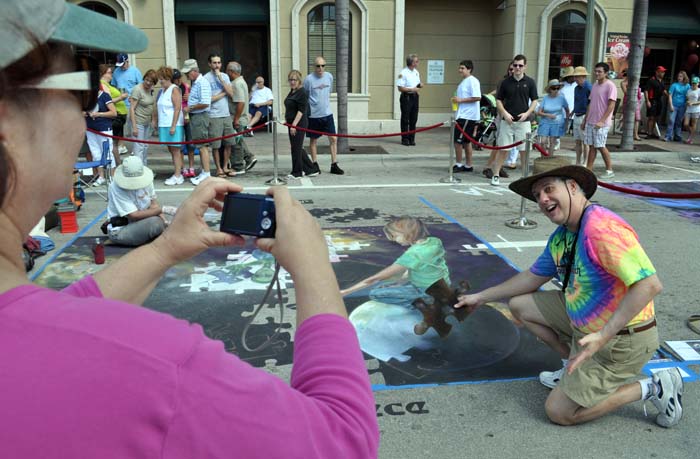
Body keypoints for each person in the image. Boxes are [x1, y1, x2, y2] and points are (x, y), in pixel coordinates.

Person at [0, 2, 380, 456]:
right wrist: (314, 264)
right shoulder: (156, 363)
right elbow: (344, 440)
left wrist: (166, 250)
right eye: (81, 85)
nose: (86, 116)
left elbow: (49, 320)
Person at [454, 165, 683, 428]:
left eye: (549, 189)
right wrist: (481, 297)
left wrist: (604, 335)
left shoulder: (601, 229)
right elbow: (532, 277)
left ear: (572, 187)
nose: (542, 199)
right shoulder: (564, 234)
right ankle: (570, 367)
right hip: (586, 326)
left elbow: (649, 285)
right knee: (520, 305)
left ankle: (654, 386)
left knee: (559, 412)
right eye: (537, 194)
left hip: (621, 341)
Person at [492, 54, 538, 186]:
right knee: (503, 149)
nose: (517, 68)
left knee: (524, 150)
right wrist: (504, 113)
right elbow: (499, 100)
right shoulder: (505, 82)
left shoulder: (530, 82)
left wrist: (527, 113)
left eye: (520, 65)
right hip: (507, 121)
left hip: (523, 122)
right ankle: (496, 174)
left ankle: (524, 176)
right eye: (515, 65)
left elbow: (535, 100)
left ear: (525, 66)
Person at [106, 156, 165, 246]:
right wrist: (162, 210)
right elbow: (133, 215)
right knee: (156, 223)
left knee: (167, 222)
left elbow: (153, 205)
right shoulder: (115, 187)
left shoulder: (147, 180)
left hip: (142, 222)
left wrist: (165, 222)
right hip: (121, 229)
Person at [304, 56, 344, 175]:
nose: (320, 68)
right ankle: (315, 164)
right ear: (314, 66)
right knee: (313, 140)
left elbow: (329, 91)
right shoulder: (308, 80)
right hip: (314, 116)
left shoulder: (329, 76)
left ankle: (334, 164)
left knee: (333, 138)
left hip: (327, 114)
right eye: (318, 66)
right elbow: (306, 95)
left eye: (322, 65)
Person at [203, 53, 236, 178]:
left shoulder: (225, 76)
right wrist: (223, 94)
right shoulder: (205, 79)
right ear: (209, 64)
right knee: (216, 145)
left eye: (218, 62)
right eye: (214, 63)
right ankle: (218, 169)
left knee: (229, 143)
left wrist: (221, 79)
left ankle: (226, 166)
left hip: (226, 114)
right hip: (214, 115)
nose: (217, 65)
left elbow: (231, 93)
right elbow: (208, 99)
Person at [182, 58, 213, 186]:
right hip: (197, 116)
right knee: (200, 145)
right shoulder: (197, 82)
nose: (186, 75)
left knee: (202, 146)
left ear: (194, 71)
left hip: (200, 116)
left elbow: (205, 103)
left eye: (187, 73)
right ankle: (205, 172)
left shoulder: (201, 83)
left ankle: (206, 173)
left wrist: (190, 108)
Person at [584, 62, 617, 178]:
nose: (597, 73)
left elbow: (611, 105)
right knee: (592, 146)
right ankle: (589, 169)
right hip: (591, 121)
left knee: (601, 146)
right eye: (596, 71)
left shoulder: (610, 86)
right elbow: (590, 104)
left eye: (600, 71)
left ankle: (609, 170)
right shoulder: (594, 85)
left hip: (602, 123)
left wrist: (602, 120)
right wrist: (585, 120)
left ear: (606, 73)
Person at [284, 69, 318, 179]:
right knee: (296, 147)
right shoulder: (292, 91)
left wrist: (294, 125)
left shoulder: (302, 92)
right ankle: (311, 169)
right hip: (291, 123)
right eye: (290, 79)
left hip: (299, 123)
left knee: (296, 148)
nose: (292, 82)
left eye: (294, 79)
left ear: (299, 81)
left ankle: (297, 172)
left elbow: (301, 111)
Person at [154, 66, 185, 186]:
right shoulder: (161, 91)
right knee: (171, 150)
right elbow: (157, 107)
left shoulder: (174, 89)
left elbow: (177, 108)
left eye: (163, 78)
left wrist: (173, 126)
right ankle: (177, 172)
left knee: (176, 150)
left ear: (169, 78)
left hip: (174, 124)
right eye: (160, 78)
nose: (161, 81)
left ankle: (178, 175)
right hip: (164, 123)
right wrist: (155, 121)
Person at [226, 61, 257, 174]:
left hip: (238, 118)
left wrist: (236, 119)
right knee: (239, 140)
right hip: (240, 117)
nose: (226, 72)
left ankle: (238, 166)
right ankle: (249, 157)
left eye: (227, 70)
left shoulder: (236, 84)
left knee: (236, 143)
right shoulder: (240, 81)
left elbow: (240, 103)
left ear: (232, 72)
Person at [84, 78, 117, 187]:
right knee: (95, 152)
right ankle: (101, 176)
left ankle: (112, 176)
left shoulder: (104, 96)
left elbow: (113, 113)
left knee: (107, 152)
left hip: (104, 128)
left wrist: (99, 114)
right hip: (90, 128)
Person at [450, 60, 481, 173]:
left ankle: (458, 164)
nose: (460, 70)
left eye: (462, 68)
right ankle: (468, 165)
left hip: (467, 116)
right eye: (460, 68)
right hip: (462, 114)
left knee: (458, 142)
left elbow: (477, 97)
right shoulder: (464, 82)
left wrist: (461, 100)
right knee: (466, 142)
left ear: (469, 69)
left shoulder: (473, 81)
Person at [111, 52, 143, 153]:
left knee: (134, 127)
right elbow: (114, 86)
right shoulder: (116, 72)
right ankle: (122, 146)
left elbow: (141, 87)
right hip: (120, 104)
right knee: (121, 127)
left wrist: (135, 98)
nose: (121, 67)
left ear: (127, 61)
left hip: (132, 104)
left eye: (122, 64)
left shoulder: (135, 71)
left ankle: (135, 148)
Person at [99, 64, 129, 166]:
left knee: (115, 143)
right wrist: (121, 98)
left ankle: (117, 165)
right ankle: (117, 165)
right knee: (113, 144)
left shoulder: (107, 84)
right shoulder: (103, 84)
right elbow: (108, 101)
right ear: (103, 74)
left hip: (119, 115)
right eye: (109, 72)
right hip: (117, 116)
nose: (112, 74)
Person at [128, 69, 157, 165]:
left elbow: (152, 105)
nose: (148, 83)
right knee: (138, 147)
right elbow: (132, 108)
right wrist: (134, 127)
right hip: (138, 121)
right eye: (147, 80)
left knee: (145, 146)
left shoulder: (151, 90)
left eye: (151, 81)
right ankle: (139, 170)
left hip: (147, 122)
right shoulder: (137, 89)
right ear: (144, 78)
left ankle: (144, 168)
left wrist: (153, 119)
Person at [172, 69, 196, 178]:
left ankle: (191, 167)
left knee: (190, 143)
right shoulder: (171, 89)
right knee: (180, 145)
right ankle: (183, 167)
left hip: (187, 116)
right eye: (176, 79)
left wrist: (189, 96)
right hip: (177, 118)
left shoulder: (186, 87)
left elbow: (195, 101)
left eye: (179, 78)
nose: (178, 81)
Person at [537, 79, 570, 157]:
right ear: (550, 89)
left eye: (557, 88)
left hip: (557, 122)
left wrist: (566, 121)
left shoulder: (562, 98)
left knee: (552, 142)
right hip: (545, 121)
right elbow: (539, 112)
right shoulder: (545, 98)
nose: (556, 90)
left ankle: (550, 158)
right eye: (554, 88)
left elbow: (567, 110)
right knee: (543, 141)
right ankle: (543, 157)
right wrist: (548, 115)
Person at [397, 53, 422, 146]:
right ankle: (405, 139)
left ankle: (412, 138)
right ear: (411, 62)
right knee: (405, 119)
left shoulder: (416, 72)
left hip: (415, 97)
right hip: (406, 97)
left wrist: (420, 86)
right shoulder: (403, 73)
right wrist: (412, 89)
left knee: (414, 118)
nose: (417, 63)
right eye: (416, 61)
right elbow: (400, 88)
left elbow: (417, 84)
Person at [572, 66, 593, 165]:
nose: (575, 79)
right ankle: (578, 161)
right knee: (577, 141)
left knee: (585, 142)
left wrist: (586, 120)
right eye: (575, 76)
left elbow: (591, 104)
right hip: (576, 115)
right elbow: (577, 102)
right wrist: (572, 112)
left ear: (583, 76)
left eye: (577, 76)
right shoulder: (576, 88)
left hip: (585, 115)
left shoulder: (589, 87)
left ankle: (585, 162)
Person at [665, 71, 690, 142]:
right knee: (671, 121)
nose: (679, 78)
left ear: (684, 77)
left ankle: (677, 136)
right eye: (678, 76)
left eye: (681, 76)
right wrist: (671, 105)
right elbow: (670, 96)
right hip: (674, 105)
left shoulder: (687, 86)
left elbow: (689, 95)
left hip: (682, 106)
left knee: (679, 122)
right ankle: (668, 136)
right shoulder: (674, 85)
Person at [644, 66, 667, 139]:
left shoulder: (662, 81)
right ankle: (648, 133)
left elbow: (664, 90)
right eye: (661, 72)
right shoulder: (652, 80)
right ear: (657, 72)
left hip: (659, 100)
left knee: (656, 117)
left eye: (663, 72)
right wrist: (647, 101)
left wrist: (669, 96)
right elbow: (646, 91)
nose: (663, 73)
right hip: (652, 100)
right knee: (651, 117)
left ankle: (653, 132)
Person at [620, 70, 642, 141]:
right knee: (627, 117)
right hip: (628, 101)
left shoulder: (635, 82)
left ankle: (635, 134)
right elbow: (626, 92)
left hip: (636, 101)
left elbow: (638, 92)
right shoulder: (623, 83)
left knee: (637, 118)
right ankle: (626, 133)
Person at [684, 76, 700, 144]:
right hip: (688, 109)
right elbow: (687, 98)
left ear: (698, 83)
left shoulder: (699, 90)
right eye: (693, 83)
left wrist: (693, 103)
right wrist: (687, 102)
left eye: (695, 83)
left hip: (696, 110)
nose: (694, 84)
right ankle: (691, 133)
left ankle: (690, 138)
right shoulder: (689, 90)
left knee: (693, 124)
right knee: (685, 124)